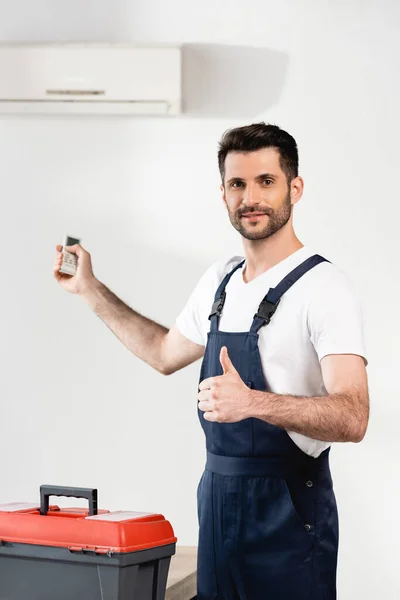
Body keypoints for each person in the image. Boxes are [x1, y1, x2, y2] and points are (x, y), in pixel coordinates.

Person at [53, 123, 369, 600]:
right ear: (223, 194)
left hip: (289, 515)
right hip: (217, 506)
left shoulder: (325, 288)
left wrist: (253, 403)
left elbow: (354, 415)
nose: (251, 197)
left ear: (294, 188)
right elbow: (162, 353)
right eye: (237, 184)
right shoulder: (220, 281)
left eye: (266, 181)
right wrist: (89, 289)